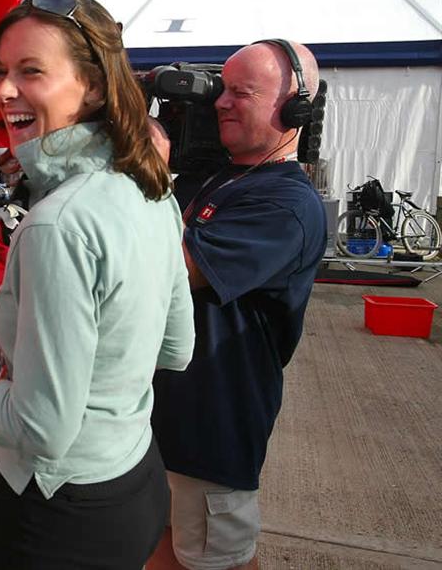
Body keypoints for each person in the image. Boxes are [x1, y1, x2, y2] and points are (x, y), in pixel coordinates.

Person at [0, 0, 195, 569]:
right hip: (135, 479)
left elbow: (41, 429)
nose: (4, 90)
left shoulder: (57, 224)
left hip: (59, 519)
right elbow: (176, 347)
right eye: (1, 71)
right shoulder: (152, 190)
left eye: (31, 71)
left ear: (93, 86)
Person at [149, 40, 327, 570]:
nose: (220, 103)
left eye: (240, 93)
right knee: (157, 548)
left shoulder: (287, 204)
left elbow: (170, 269)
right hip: (162, 417)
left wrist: (146, 170)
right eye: (220, 90)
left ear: (295, 109)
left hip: (212, 426)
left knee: (214, 561)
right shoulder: (216, 176)